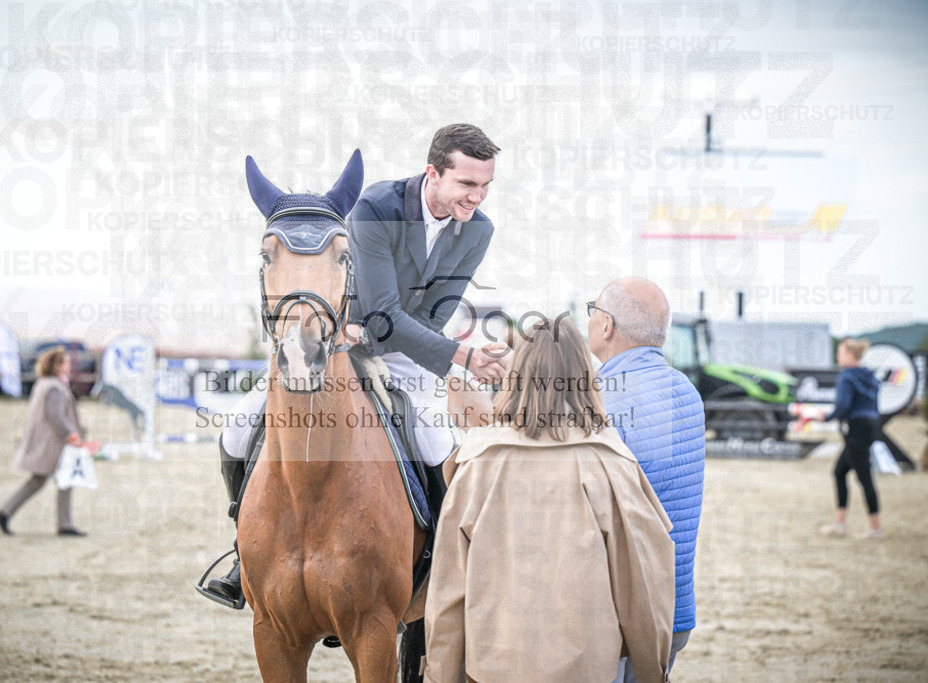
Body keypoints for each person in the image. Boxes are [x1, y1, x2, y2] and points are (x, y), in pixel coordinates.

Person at [204, 124, 510, 605]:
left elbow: (437, 312)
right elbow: (384, 309)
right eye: (467, 184)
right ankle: (244, 550)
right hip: (336, 343)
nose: (478, 197)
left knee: (436, 441)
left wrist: (424, 345)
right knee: (239, 429)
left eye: (486, 185)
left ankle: (439, 561)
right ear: (433, 173)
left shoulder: (479, 230)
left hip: (409, 353)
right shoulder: (375, 208)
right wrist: (464, 356)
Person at [423, 317, 675, 683]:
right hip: (587, 670)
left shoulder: (475, 464)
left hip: (494, 669)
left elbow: (447, 593)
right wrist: (653, 672)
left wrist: (440, 677)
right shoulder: (612, 465)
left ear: (516, 374)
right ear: (585, 372)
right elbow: (642, 585)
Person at [586, 277, 705, 682]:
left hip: (620, 618)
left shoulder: (602, 396)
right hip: (675, 609)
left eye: (593, 311)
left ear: (606, 325)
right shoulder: (687, 390)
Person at [0, 346, 92, 537]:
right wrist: (72, 435)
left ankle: (5, 512)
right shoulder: (54, 387)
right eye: (67, 362)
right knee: (64, 479)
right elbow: (57, 416)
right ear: (58, 365)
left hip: (47, 442)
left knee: (38, 481)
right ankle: (64, 524)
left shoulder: (45, 383)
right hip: (53, 443)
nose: (70, 365)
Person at [811, 337, 882, 539]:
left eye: (840, 352)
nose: (837, 356)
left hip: (856, 430)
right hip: (870, 427)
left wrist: (827, 417)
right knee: (840, 472)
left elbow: (843, 406)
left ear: (850, 354)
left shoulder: (847, 376)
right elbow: (874, 405)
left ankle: (875, 528)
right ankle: (840, 523)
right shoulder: (869, 375)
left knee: (864, 477)